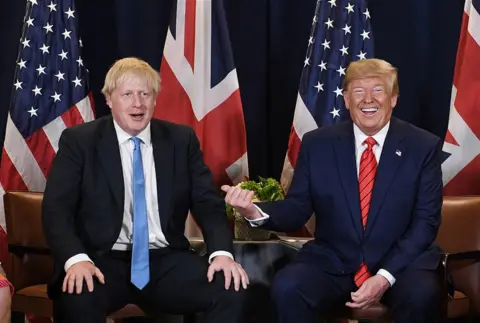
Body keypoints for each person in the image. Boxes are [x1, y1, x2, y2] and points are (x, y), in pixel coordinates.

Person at [223, 58, 443, 323]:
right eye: (358, 92)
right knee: (288, 287)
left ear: (393, 98)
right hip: (334, 262)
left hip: (401, 266)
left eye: (378, 90)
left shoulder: (423, 147)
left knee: (423, 294)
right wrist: (253, 210)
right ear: (347, 99)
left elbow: (425, 223)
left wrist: (384, 277)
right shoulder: (318, 145)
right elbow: (297, 208)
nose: (368, 100)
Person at [42, 57, 248, 323]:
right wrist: (76, 259)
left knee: (230, 288)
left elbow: (207, 204)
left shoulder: (180, 140)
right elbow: (56, 210)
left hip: (165, 261)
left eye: (145, 94)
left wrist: (221, 253)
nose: (137, 103)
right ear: (109, 99)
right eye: (127, 94)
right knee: (77, 295)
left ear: (154, 99)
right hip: (101, 259)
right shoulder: (80, 141)